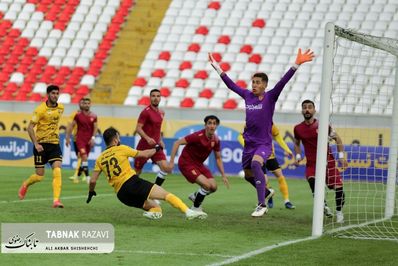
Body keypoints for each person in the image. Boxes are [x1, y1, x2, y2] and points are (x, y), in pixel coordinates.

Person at [209, 49, 314, 217]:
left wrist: (296, 64)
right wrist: (218, 68)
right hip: (248, 144)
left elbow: (283, 82)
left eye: (258, 82)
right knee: (247, 175)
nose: (254, 85)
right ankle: (266, 192)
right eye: (253, 82)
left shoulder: (271, 97)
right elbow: (231, 85)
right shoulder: (247, 96)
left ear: (265, 85)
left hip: (263, 144)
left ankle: (261, 204)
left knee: (257, 164)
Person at [86, 127, 207, 220]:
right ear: (116, 139)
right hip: (132, 183)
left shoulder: (100, 158)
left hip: (121, 195)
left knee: (156, 208)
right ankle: (188, 212)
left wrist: (91, 191)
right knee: (166, 195)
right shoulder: (121, 148)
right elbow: (144, 154)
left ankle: (152, 213)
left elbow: (92, 180)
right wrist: (157, 148)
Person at [293, 99, 348, 223]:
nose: (307, 109)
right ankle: (324, 206)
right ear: (302, 110)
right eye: (305, 107)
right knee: (313, 183)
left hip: (329, 162)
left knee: (339, 189)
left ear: (314, 110)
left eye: (309, 107)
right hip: (312, 163)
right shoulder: (298, 128)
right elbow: (296, 143)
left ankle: (339, 212)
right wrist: (297, 156)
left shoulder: (323, 125)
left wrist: (341, 157)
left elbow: (338, 140)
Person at [167, 115, 229, 213]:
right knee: (207, 185)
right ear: (205, 125)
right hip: (186, 163)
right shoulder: (197, 136)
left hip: (199, 164)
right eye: (209, 123)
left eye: (214, 123)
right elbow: (176, 143)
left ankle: (195, 196)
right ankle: (195, 208)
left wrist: (223, 175)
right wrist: (171, 163)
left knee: (213, 187)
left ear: (216, 126)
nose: (212, 126)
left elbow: (218, 158)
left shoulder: (216, 140)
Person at [18, 85, 65, 208]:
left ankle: (56, 200)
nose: (55, 95)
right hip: (41, 146)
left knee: (57, 170)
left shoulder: (61, 107)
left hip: (54, 144)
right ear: (48, 94)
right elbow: (29, 127)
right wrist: (36, 144)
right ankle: (26, 184)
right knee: (39, 176)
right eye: (53, 93)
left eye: (57, 93)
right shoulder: (40, 110)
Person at [238, 123, 295, 209]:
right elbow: (240, 136)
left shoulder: (271, 125)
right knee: (263, 180)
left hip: (270, 155)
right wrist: (248, 147)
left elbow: (278, 138)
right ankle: (267, 197)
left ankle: (287, 201)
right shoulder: (251, 122)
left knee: (280, 176)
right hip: (259, 156)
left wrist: (287, 149)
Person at [134, 89, 170, 187]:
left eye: (158, 96)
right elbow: (138, 128)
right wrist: (147, 138)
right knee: (137, 171)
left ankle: (154, 191)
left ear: (160, 98)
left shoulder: (162, 112)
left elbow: (157, 129)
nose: (156, 98)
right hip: (144, 146)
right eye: (153, 96)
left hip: (156, 147)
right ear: (150, 98)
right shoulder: (145, 112)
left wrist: (160, 140)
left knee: (165, 168)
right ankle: (131, 191)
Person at [66, 97, 98, 184]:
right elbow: (71, 126)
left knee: (85, 159)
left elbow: (95, 128)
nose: (86, 105)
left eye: (88, 103)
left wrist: (93, 138)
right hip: (80, 139)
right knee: (83, 156)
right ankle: (87, 177)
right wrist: (67, 137)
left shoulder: (94, 116)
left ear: (90, 104)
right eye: (85, 103)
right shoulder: (78, 115)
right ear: (82, 105)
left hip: (88, 140)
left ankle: (79, 174)